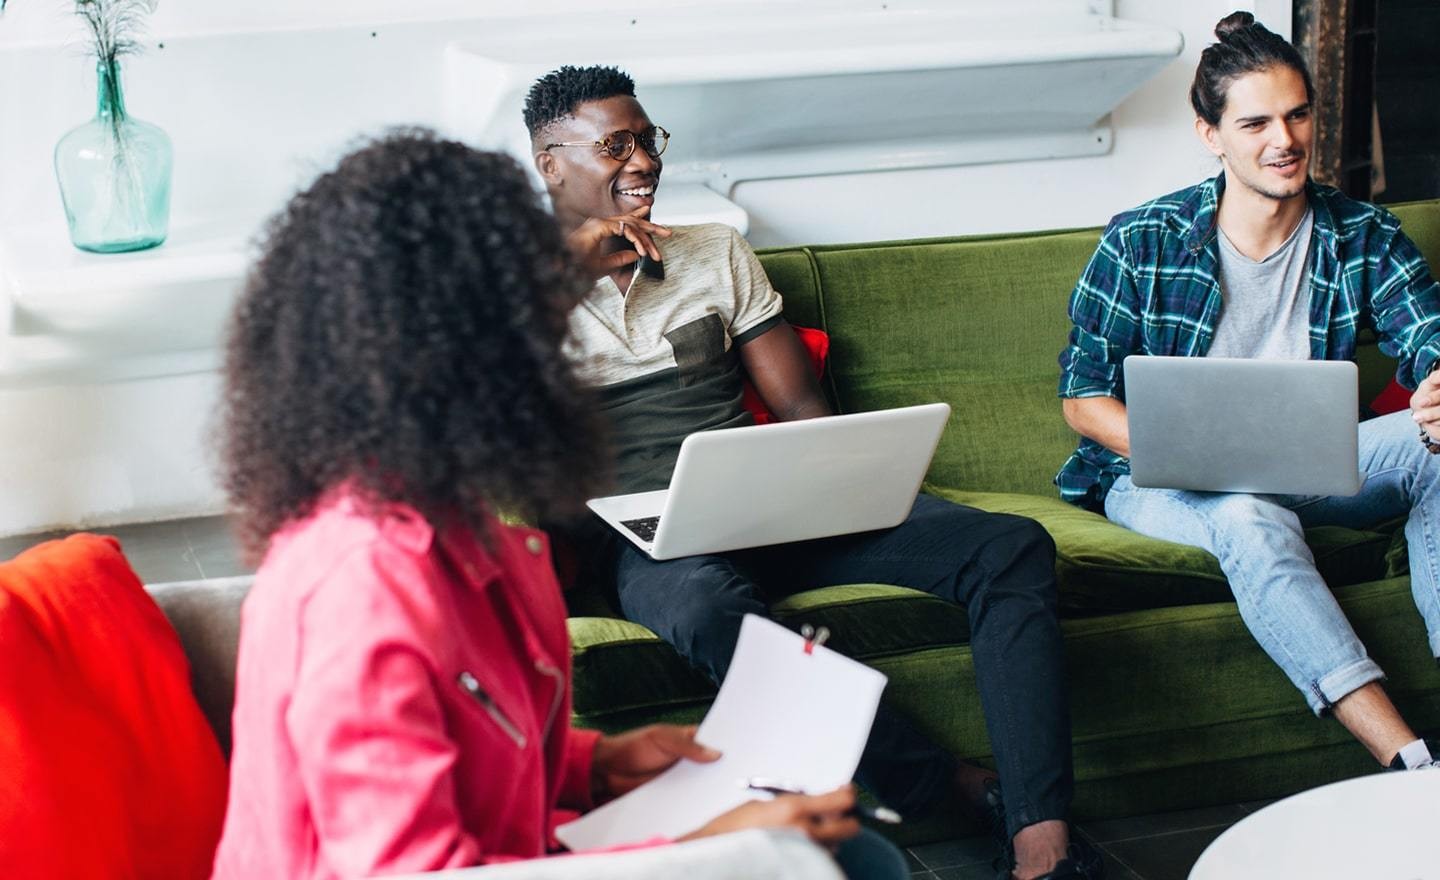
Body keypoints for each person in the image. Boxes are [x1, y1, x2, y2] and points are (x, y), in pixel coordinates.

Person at [209, 131, 906, 879]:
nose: (555, 343)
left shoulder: (452, 514)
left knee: (852, 852)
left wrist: (595, 763)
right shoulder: (365, 587)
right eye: (535, 312)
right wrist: (708, 847)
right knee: (845, 861)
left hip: (524, 848)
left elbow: (466, 742)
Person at [525, 66, 1101, 880]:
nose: (645, 161)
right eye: (616, 145)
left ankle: (1042, 840)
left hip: (775, 497)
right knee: (705, 610)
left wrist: (834, 480)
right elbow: (471, 403)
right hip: (652, 538)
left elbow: (800, 407)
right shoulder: (503, 296)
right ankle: (948, 786)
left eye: (648, 140)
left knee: (1008, 546)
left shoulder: (714, 252)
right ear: (551, 163)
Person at [1058, 12, 1440, 774]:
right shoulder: (1143, 239)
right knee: (1247, 512)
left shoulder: (1362, 232)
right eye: (1257, 121)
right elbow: (1083, 397)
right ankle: (1412, 763)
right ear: (1212, 134)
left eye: (1298, 114)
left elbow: (1426, 332)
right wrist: (1190, 449)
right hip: (1162, 478)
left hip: (1313, 463)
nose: (1285, 140)